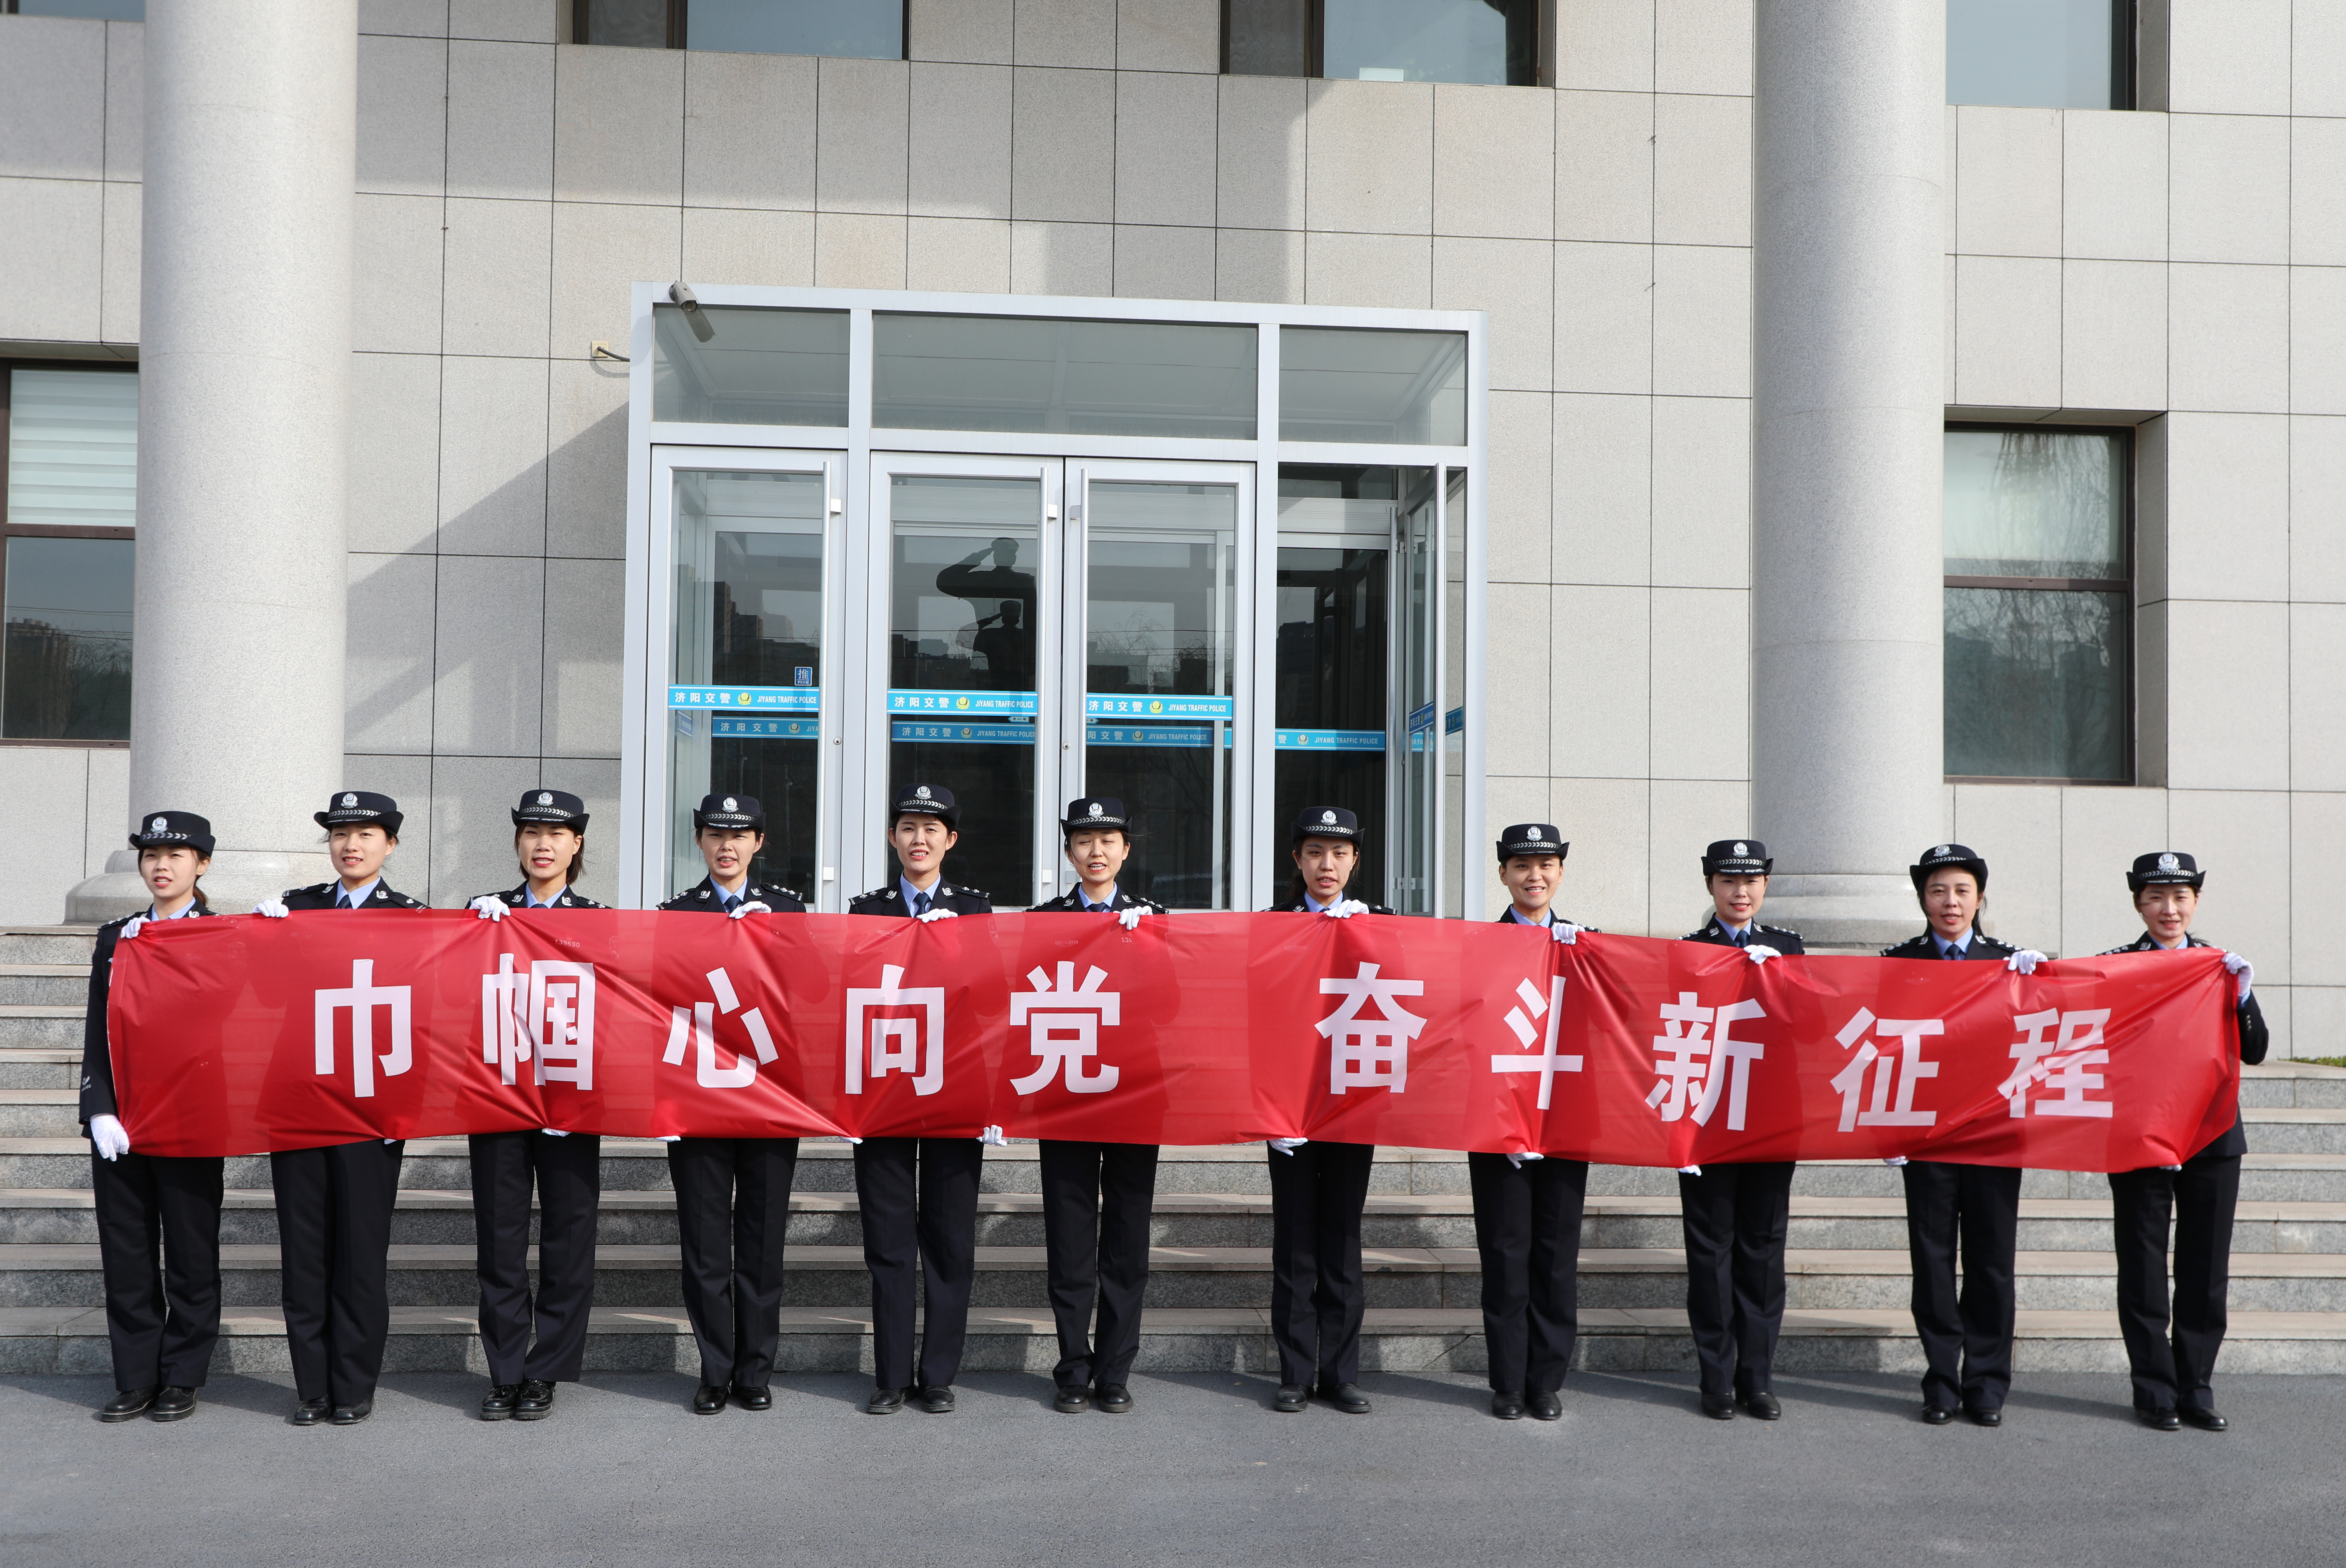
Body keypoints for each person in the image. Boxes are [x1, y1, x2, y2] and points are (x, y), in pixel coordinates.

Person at [252, 791, 426, 1426]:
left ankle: (353, 1385)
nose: (351, 844)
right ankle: (312, 1387)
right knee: (304, 1253)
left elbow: (427, 1016)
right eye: (340, 833)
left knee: (359, 1254)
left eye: (366, 834)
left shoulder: (413, 919)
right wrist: (257, 936)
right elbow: (263, 997)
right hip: (299, 1102)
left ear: (391, 845)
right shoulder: (296, 910)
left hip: (371, 1110)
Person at [2099, 851, 2265, 1432]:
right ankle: (2154, 1391)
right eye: (2155, 898)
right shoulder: (2115, 967)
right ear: (2139, 904)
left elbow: (2257, 1049)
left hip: (2212, 1135)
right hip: (2141, 1135)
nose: (2169, 910)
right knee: (2142, 1265)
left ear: (2195, 901)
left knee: (2204, 1266)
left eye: (2180, 897)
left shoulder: (2219, 965)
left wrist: (2242, 995)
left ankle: (2195, 1385)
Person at [655, 793, 807, 1415]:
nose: (727, 845)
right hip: (698, 1102)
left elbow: (817, 997)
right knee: (705, 1245)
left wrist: (778, 939)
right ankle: (714, 1369)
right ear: (698, 841)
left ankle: (755, 1370)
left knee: (763, 1241)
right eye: (715, 834)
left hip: (770, 1103)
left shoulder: (791, 911)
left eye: (740, 835)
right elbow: (654, 999)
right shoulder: (675, 914)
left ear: (759, 844)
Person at [460, 789, 607, 1422]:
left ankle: (546, 1370)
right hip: (498, 1096)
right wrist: (469, 930)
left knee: (569, 1238)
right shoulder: (483, 913)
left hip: (571, 1100)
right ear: (517, 842)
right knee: (500, 1239)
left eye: (557, 833)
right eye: (531, 832)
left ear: (577, 845)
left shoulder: (599, 918)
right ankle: (506, 1369)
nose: (542, 844)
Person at [847, 783, 994, 1414]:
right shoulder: (864, 911)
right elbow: (844, 1004)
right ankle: (890, 1375)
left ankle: (937, 1374)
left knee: (949, 1241)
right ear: (892, 838)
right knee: (888, 1243)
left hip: (954, 1093)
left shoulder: (976, 912)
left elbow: (992, 1007)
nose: (920, 839)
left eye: (933, 829)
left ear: (951, 841)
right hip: (882, 1094)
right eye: (908, 827)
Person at [79, 811, 224, 1423]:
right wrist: (97, 1107)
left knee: (191, 1253)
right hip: (124, 1120)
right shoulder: (118, 935)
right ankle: (136, 1376)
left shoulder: (223, 934)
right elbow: (98, 1028)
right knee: (128, 1252)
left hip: (191, 1118)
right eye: (150, 855)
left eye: (176, 854)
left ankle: (183, 1375)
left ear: (203, 864)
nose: (161, 866)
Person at [1880, 842, 2030, 1428]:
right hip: (1928, 1137)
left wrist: (2043, 983)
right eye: (1939, 890)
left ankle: (1987, 1383)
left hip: (1995, 1135)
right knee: (1934, 1261)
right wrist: (1887, 1128)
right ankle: (1942, 1379)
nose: (1951, 902)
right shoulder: (1897, 962)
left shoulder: (2012, 963)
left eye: (1962, 890)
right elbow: (1883, 1049)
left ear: (1980, 897)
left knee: (1993, 1263)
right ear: (1923, 897)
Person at [1027, 797, 1165, 1414]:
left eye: (1109, 840)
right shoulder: (1043, 921)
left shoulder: (1156, 922)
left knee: (1128, 1242)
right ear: (1069, 852)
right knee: (1072, 1242)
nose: (1097, 852)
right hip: (1066, 1097)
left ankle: (1115, 1370)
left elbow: (1177, 1007)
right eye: (1084, 841)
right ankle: (1072, 1368)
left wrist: (1149, 950)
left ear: (1126, 850)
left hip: (1135, 1097)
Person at [1264, 806, 1391, 1416]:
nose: (1327, 865)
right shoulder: (1272, 925)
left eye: (1339, 854)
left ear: (1355, 862)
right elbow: (1252, 1016)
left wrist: (1376, 938)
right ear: (1298, 860)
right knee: (1295, 1243)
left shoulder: (1382, 924)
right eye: (1315, 852)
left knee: (1342, 1239)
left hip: (1351, 1106)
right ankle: (1294, 1372)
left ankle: (1340, 1373)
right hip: (1289, 1108)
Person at [1674, 839, 1805, 1421]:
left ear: (1766, 886)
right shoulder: (1689, 951)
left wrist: (1778, 980)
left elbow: (1810, 1029)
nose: (1741, 892)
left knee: (1762, 1253)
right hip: (1707, 1123)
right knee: (1711, 1254)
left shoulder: (1789, 948)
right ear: (1710, 887)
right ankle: (1716, 1379)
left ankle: (1758, 1379)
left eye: (1751, 881)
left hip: (1772, 1123)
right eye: (1728, 881)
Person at [1474, 824, 1591, 1421]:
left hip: (1566, 1123)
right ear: (1503, 875)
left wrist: (1589, 956)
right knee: (1505, 1251)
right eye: (1522, 866)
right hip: (1497, 1123)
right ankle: (1507, 1382)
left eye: (1546, 865)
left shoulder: (1587, 946)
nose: (1534, 876)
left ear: (1561, 874)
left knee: (1554, 1256)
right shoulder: (1478, 945)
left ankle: (1546, 1381)